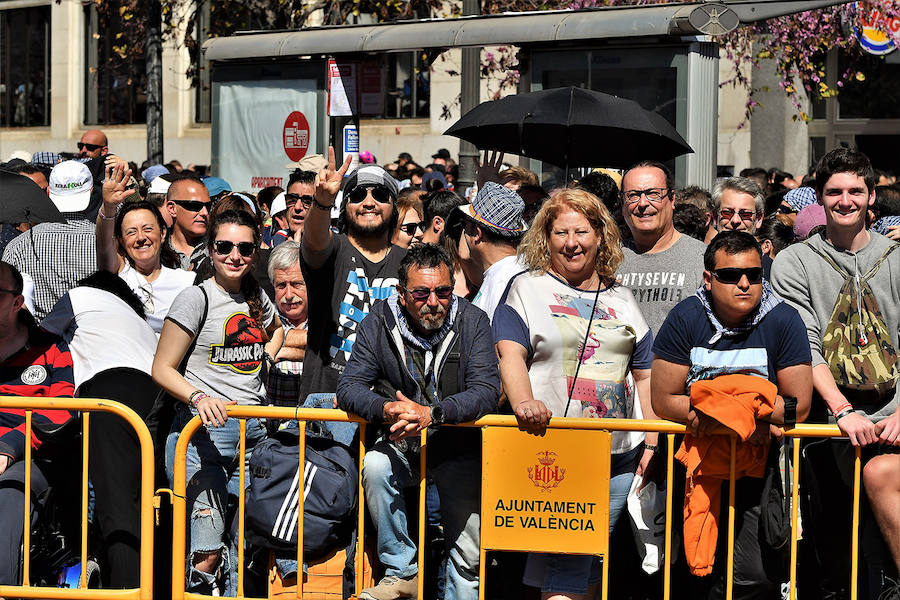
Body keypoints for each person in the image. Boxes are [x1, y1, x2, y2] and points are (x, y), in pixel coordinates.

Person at [493, 188, 659, 600]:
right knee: (570, 558)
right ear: (545, 238)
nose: (572, 242)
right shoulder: (524, 289)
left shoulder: (622, 296)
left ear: (601, 236)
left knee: (582, 558)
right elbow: (509, 354)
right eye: (561, 232)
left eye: (582, 231)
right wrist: (523, 403)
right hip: (553, 448)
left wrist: (653, 437)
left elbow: (644, 373)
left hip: (620, 451)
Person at [651, 231, 812, 598]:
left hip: (761, 468)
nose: (744, 284)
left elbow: (797, 407)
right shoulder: (685, 317)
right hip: (696, 468)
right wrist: (745, 414)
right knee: (695, 572)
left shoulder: (784, 319)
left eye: (754, 275)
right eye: (730, 276)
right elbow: (663, 400)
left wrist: (715, 408)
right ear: (708, 279)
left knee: (753, 575)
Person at [771, 148, 900, 599]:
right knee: (835, 548)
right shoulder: (794, 262)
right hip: (827, 423)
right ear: (818, 200)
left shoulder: (897, 258)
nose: (845, 200)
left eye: (855, 191)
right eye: (834, 192)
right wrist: (843, 410)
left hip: (894, 416)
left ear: (871, 197)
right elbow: (803, 345)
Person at [337, 243, 500, 600]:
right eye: (422, 293)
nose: (434, 302)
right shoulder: (377, 322)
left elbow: (487, 390)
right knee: (376, 466)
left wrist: (434, 414)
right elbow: (348, 386)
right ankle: (401, 571)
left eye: (443, 291)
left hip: (459, 448)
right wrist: (387, 409)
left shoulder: (473, 321)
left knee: (468, 557)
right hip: (401, 443)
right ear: (401, 293)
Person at [153, 209, 283, 596]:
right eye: (224, 246)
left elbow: (277, 330)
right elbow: (161, 368)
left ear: (255, 252)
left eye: (245, 247)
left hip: (253, 438)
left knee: (243, 547)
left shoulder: (257, 296)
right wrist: (198, 396)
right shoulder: (196, 297)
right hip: (201, 439)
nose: (235, 255)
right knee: (206, 552)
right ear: (210, 249)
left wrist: (267, 358)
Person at [42, 270, 161, 589]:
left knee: (117, 504)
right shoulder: (141, 322)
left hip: (110, 393)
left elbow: (38, 338)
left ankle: (125, 591)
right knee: (151, 502)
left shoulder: (82, 297)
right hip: (156, 397)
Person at [299, 153, 407, 403]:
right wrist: (323, 202)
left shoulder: (407, 263)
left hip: (389, 405)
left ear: (394, 209)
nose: (369, 202)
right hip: (327, 403)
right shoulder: (334, 250)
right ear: (345, 207)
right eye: (358, 196)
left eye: (380, 195)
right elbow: (314, 241)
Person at [0, 261, 75, 586]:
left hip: (30, 457)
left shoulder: (52, 349)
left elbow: (60, 411)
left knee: (10, 491)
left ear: (17, 302)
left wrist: (8, 448)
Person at [97, 164, 196, 334]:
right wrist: (108, 207)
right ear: (121, 240)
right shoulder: (119, 274)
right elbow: (104, 242)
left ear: (163, 233)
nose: (141, 238)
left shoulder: (186, 282)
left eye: (148, 229)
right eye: (131, 232)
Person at [616, 160, 706, 335]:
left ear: (672, 199)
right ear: (623, 204)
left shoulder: (701, 258)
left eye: (653, 194)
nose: (643, 203)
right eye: (633, 195)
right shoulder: (608, 259)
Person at [3, 160, 98, 320]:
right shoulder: (109, 243)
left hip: (38, 341)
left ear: (48, 193)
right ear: (90, 192)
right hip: (93, 338)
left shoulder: (19, 245)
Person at [455, 182, 527, 322]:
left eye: (466, 225)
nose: (463, 232)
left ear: (477, 233)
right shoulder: (519, 269)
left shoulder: (501, 285)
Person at [266, 241, 308, 409]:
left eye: (297, 284)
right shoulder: (263, 317)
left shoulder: (327, 319)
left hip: (313, 428)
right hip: (269, 428)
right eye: (281, 285)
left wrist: (283, 351)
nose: (289, 295)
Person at [165, 175, 212, 270]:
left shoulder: (219, 248)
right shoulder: (156, 249)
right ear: (172, 208)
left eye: (208, 206)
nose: (204, 213)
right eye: (194, 205)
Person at [269, 170, 315, 247]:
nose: (297, 207)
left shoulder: (332, 245)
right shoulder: (278, 240)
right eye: (292, 199)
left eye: (307, 201)